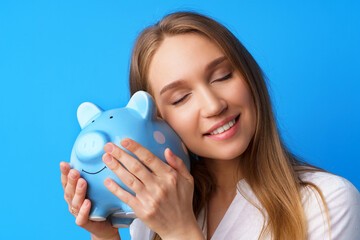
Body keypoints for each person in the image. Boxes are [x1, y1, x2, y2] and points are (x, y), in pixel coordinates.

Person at [60, 11, 360, 240]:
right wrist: (104, 235)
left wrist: (180, 232)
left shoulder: (327, 200)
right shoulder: (154, 209)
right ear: (157, 121)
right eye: (180, 98)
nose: (214, 105)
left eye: (222, 77)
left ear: (249, 76)